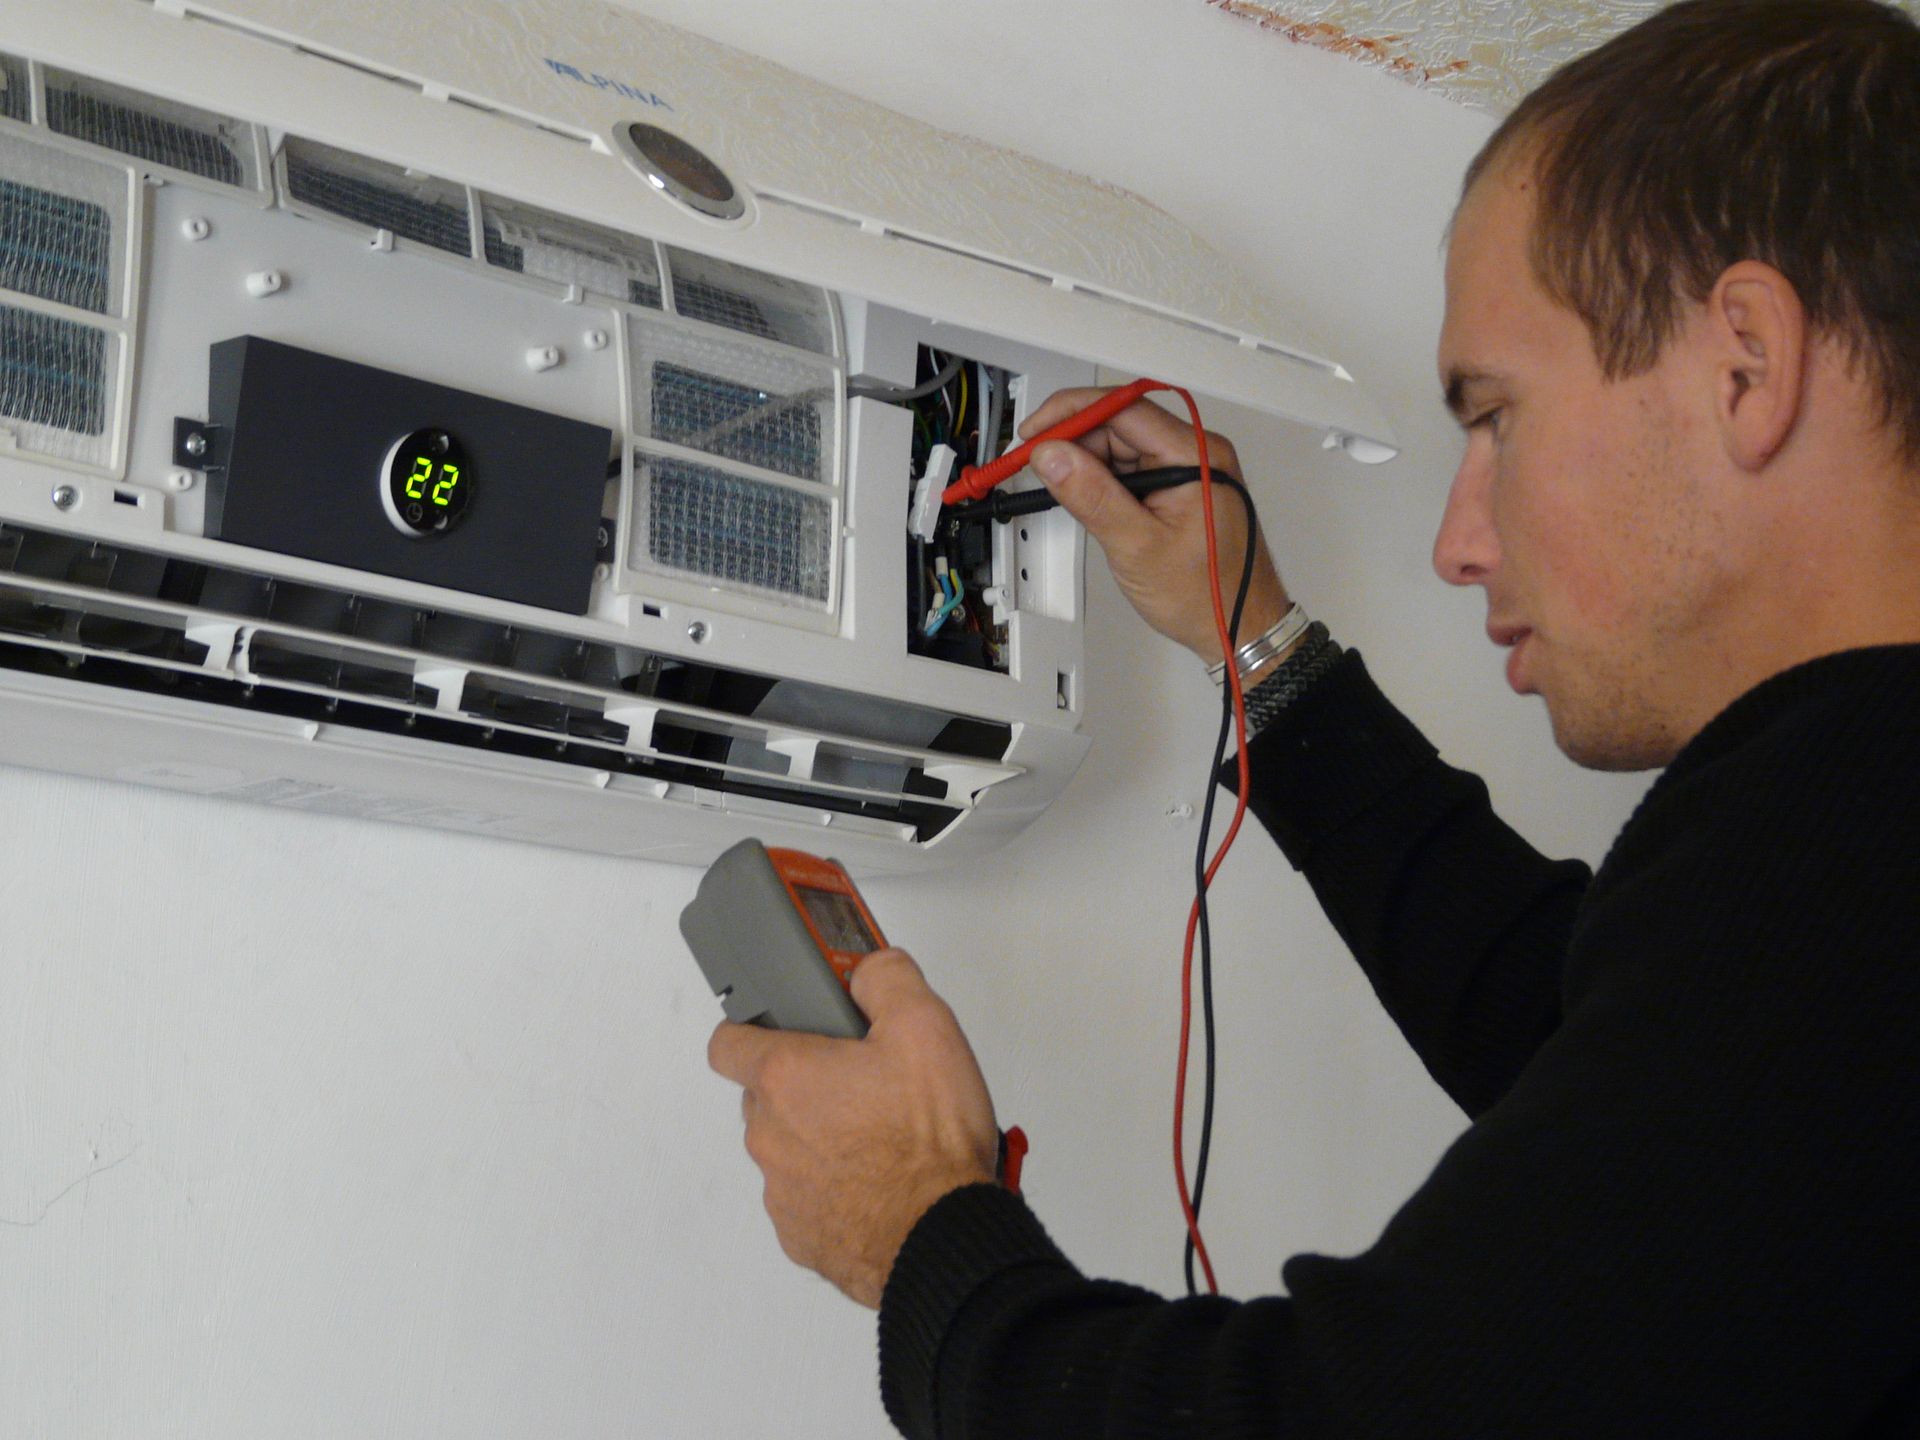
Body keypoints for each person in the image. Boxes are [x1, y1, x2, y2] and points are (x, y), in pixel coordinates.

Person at [707, 0, 1920, 1432]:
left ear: (1746, 366)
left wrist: (919, 1234)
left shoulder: (1858, 829)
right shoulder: (1839, 911)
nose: (1457, 543)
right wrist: (1258, 643)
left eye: (1496, 415)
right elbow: (1567, 1038)